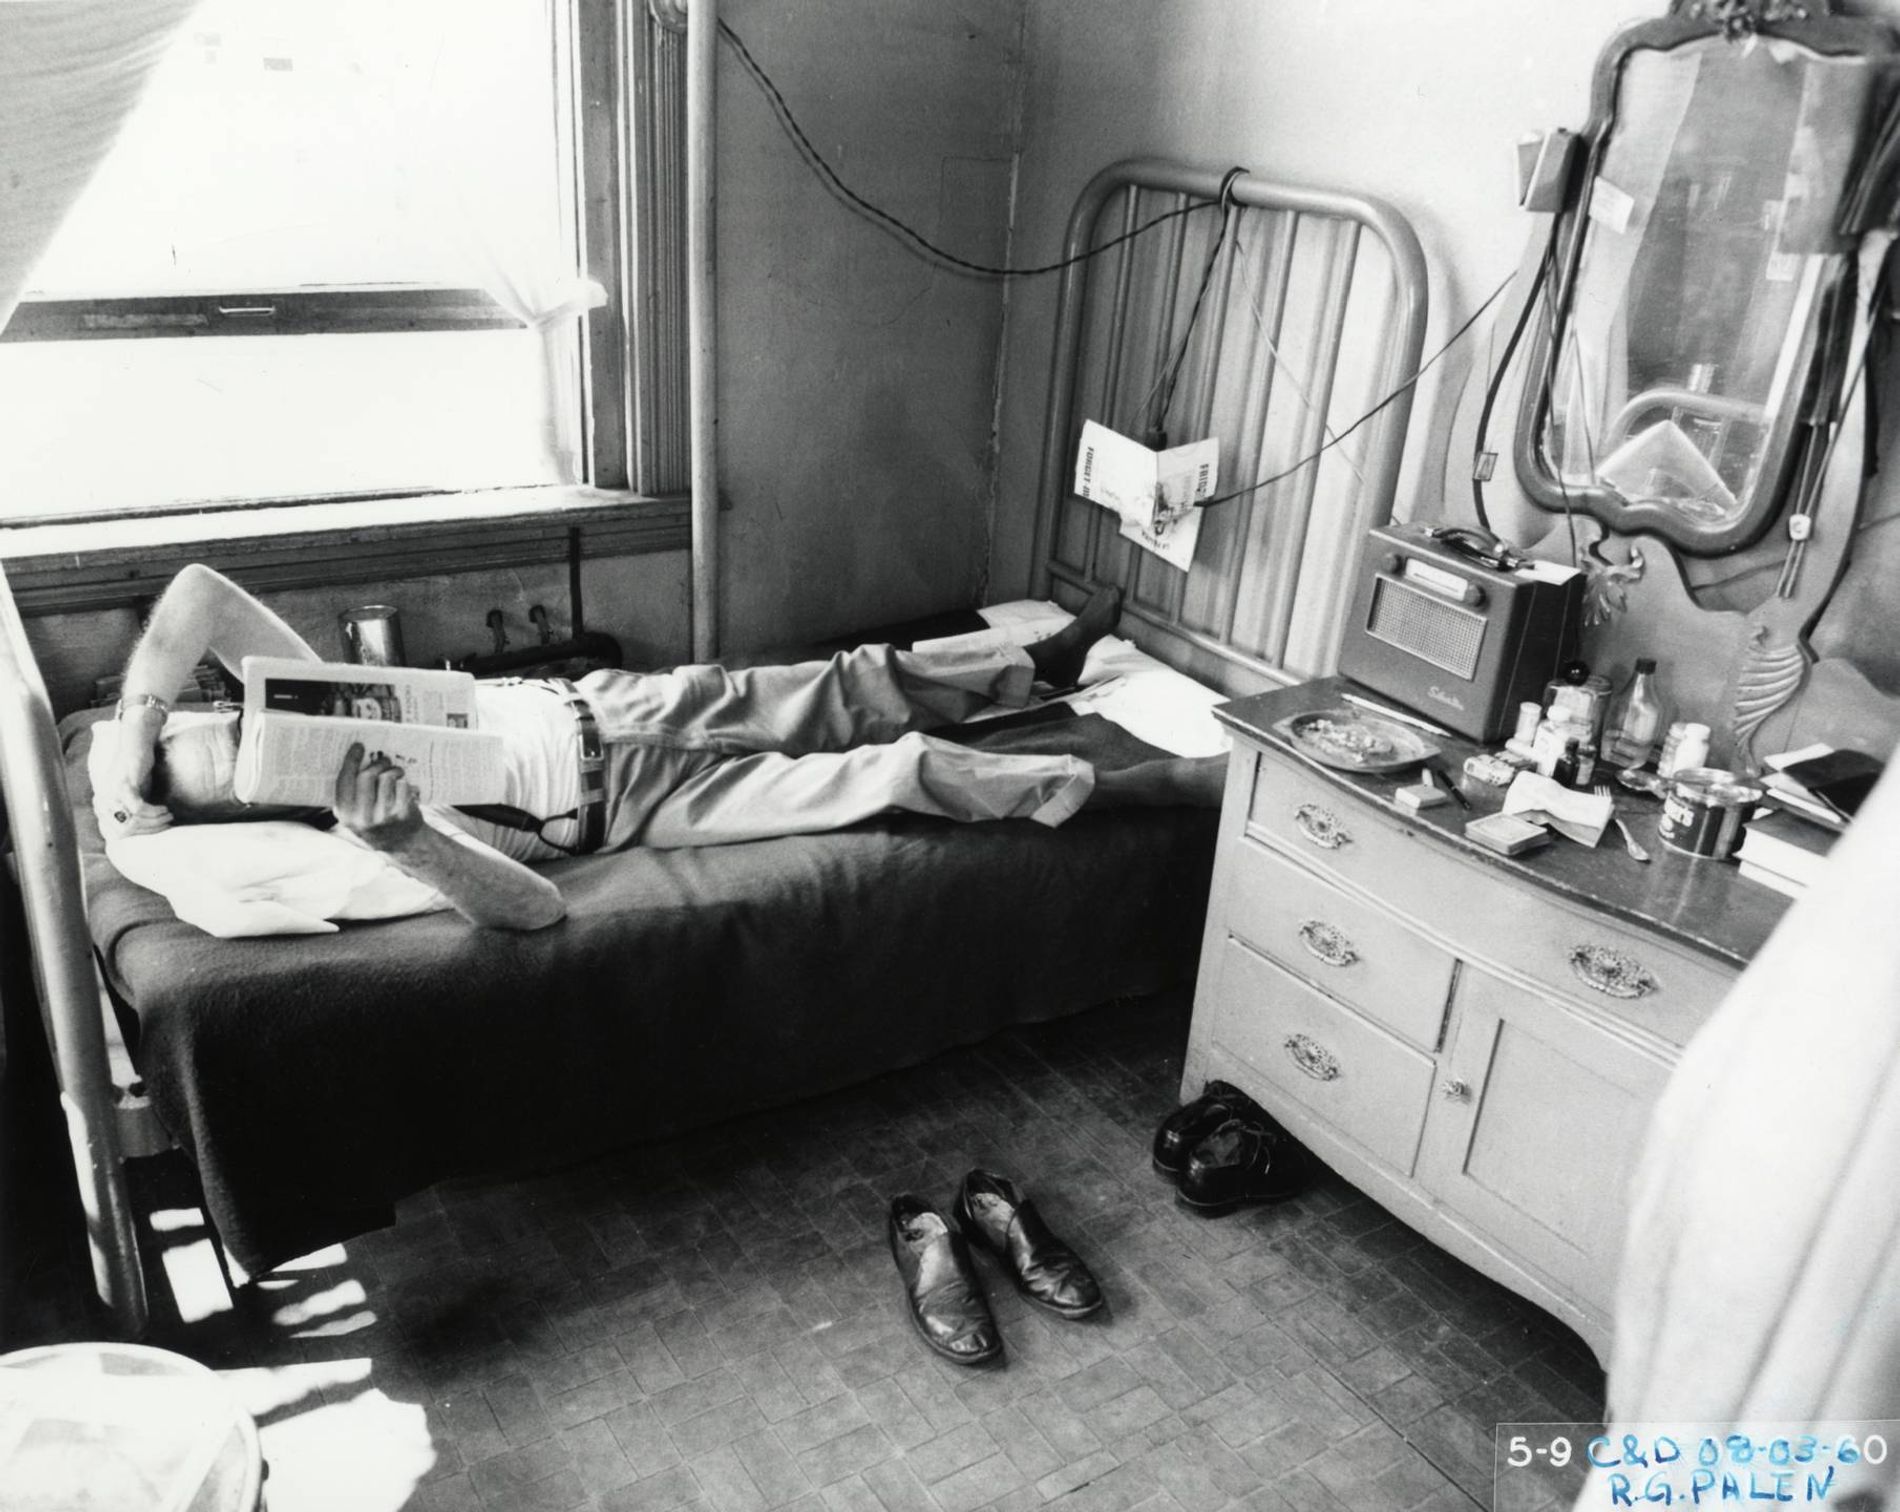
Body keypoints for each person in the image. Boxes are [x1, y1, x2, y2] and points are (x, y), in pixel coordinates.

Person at [92, 565, 1226, 931]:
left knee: (849, 683)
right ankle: (1138, 789)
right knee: (894, 775)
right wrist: (405, 844)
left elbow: (197, 594)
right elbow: (534, 912)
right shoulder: (365, 825)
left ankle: (1044, 668)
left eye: (222, 714)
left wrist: (137, 733)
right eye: (227, 750)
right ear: (261, 798)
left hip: (617, 701)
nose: (238, 721)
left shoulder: (307, 696)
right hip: (631, 809)